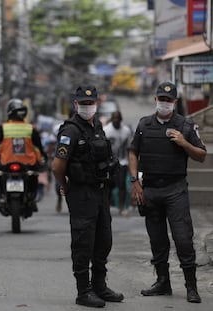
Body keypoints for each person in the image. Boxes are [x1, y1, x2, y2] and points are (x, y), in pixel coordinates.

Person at [128, 81, 206, 303]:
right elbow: (132, 152)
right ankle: (163, 282)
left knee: (183, 239)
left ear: (175, 102)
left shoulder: (186, 126)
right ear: (155, 100)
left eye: (168, 100)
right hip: (150, 189)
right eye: (161, 99)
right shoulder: (144, 124)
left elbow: (201, 154)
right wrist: (134, 181)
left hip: (175, 189)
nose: (164, 103)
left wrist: (183, 143)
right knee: (157, 240)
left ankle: (191, 287)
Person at [52, 85, 124, 308]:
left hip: (100, 191)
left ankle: (99, 286)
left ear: (96, 105)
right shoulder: (70, 131)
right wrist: (64, 185)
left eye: (90, 103)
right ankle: (84, 291)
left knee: (104, 240)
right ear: (75, 105)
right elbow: (57, 166)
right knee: (84, 242)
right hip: (81, 193)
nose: (87, 107)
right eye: (83, 103)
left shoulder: (98, 126)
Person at [0, 98, 47, 212]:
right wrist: (43, 157)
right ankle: (31, 198)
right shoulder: (30, 128)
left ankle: (0, 198)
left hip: (6, 163)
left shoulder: (3, 128)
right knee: (33, 177)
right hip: (27, 164)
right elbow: (39, 146)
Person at [103, 111, 132, 215]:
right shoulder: (106, 130)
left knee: (122, 185)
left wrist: (130, 163)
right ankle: (106, 206)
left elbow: (129, 148)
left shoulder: (126, 131)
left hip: (122, 161)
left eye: (118, 118)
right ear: (111, 119)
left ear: (121, 119)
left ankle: (121, 207)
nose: (116, 120)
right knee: (108, 185)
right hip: (109, 162)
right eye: (114, 118)